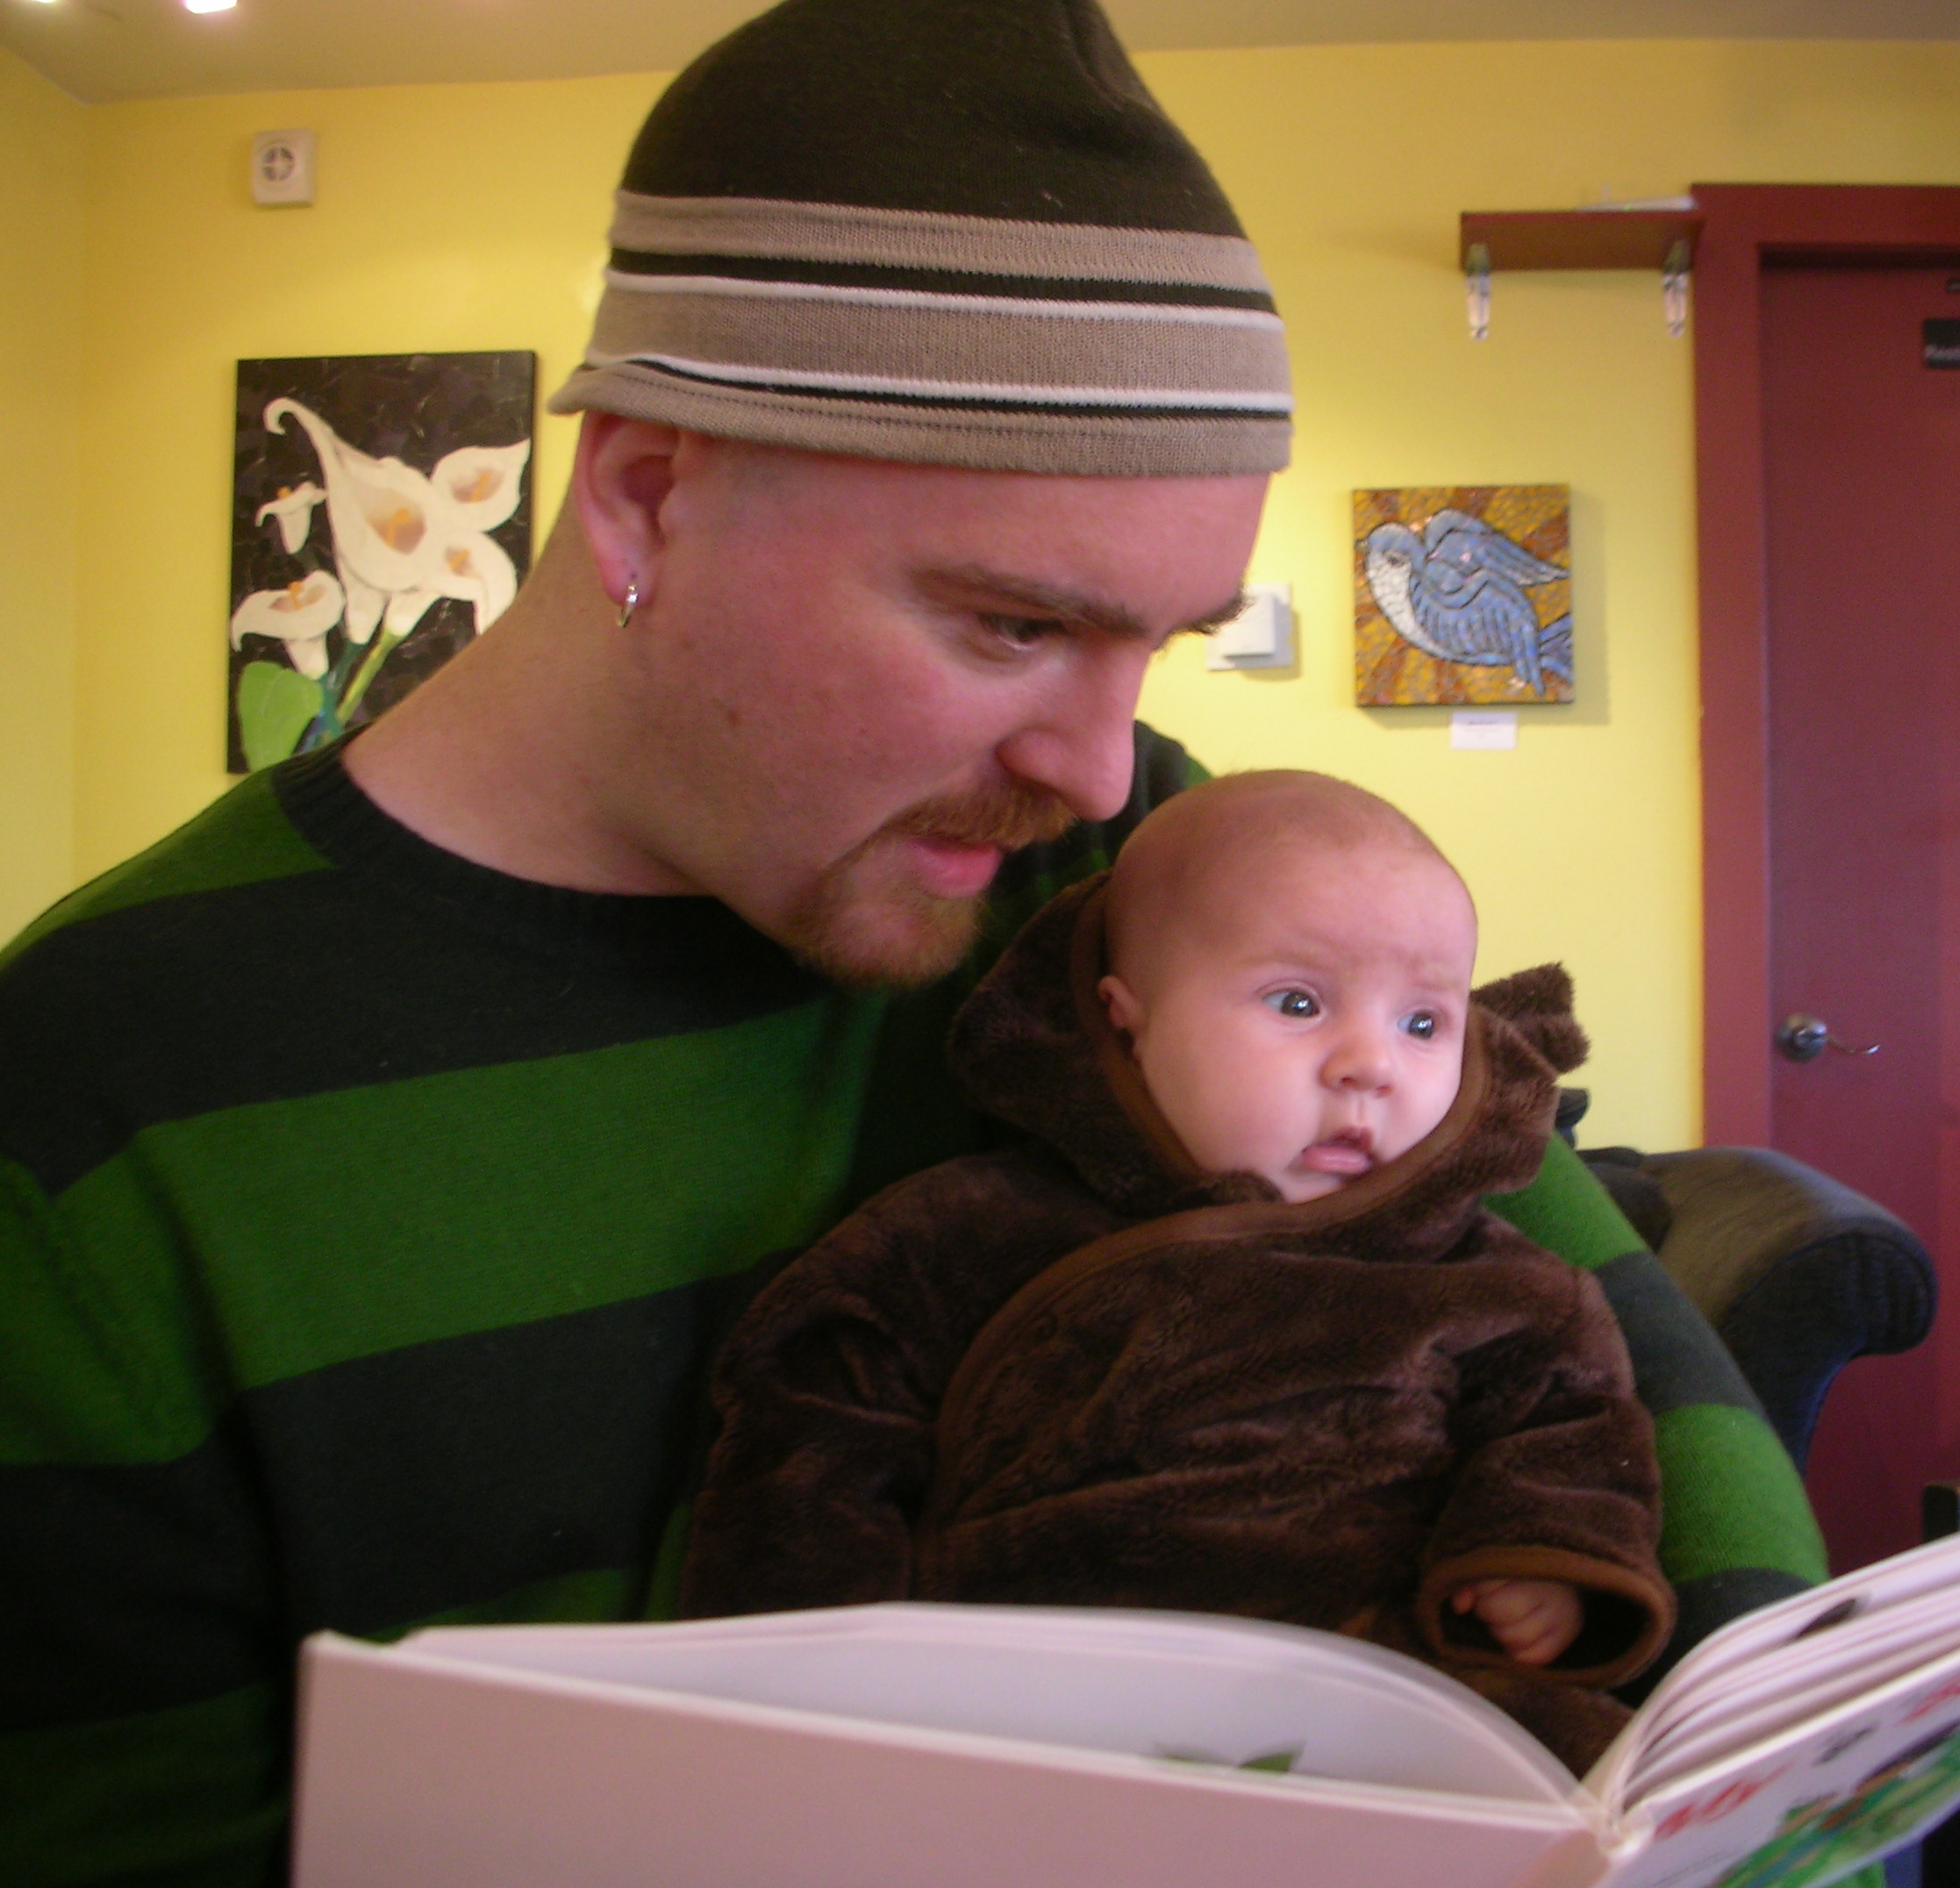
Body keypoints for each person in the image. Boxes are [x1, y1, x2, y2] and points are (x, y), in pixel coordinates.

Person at [0, 2, 1822, 1882]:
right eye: (1013, 626)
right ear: (646, 493)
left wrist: (1735, 1797)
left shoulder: (1120, 863)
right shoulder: (96, 1099)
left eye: (1154, 644)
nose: (1097, 763)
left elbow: (1622, 1352)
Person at [685, 772, 1676, 1769]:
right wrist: (818, 1658)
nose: (1370, 1064)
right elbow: (817, 1419)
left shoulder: (1490, 1279)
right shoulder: (969, 1229)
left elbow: (1570, 1425)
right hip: (1036, 1691)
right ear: (1128, 1019)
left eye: (1422, 1024)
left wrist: (1540, 1563)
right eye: (1297, 1003)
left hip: (1385, 1684)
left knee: (1599, 1772)